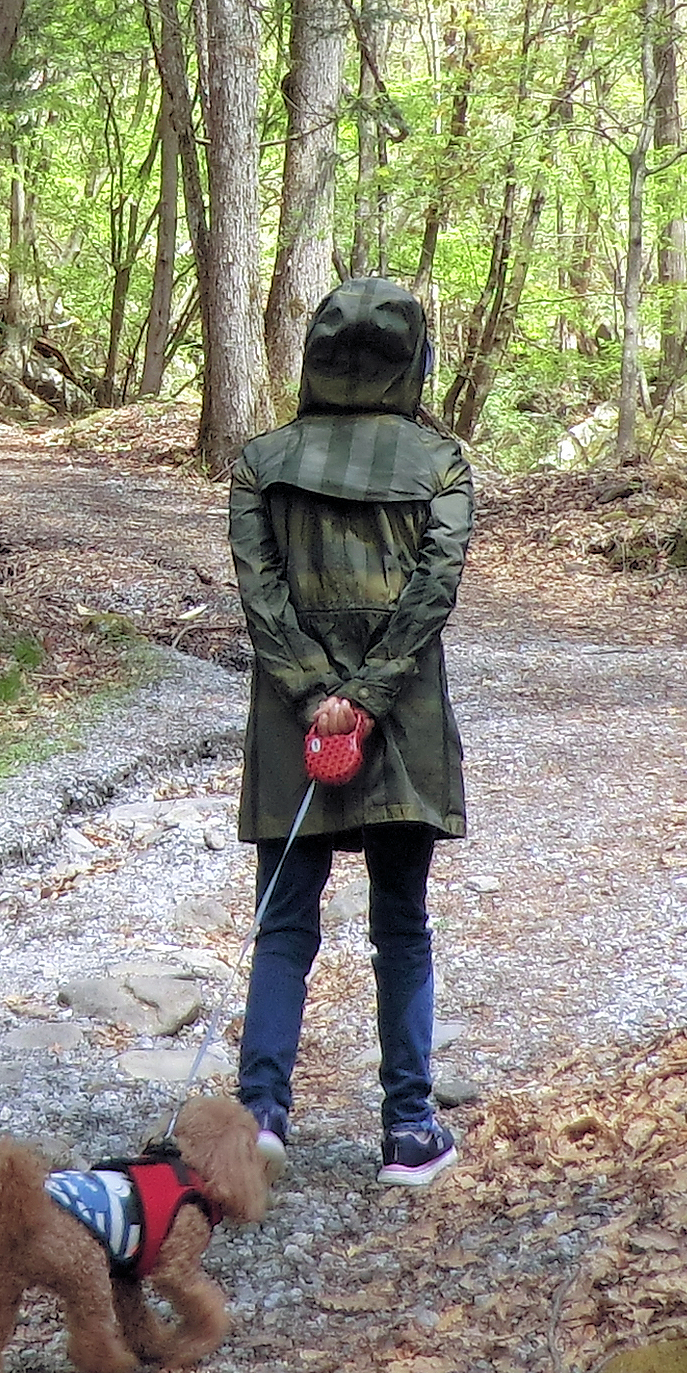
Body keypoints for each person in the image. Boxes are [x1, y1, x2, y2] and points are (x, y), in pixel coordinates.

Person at [225, 277, 474, 1187]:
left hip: (294, 725)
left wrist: (316, 697)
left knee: (284, 925)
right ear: (412, 357)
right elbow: (432, 594)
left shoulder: (260, 460)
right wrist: (367, 699)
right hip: (402, 721)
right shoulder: (442, 461)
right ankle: (409, 1128)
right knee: (400, 927)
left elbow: (261, 598)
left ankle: (260, 1116)